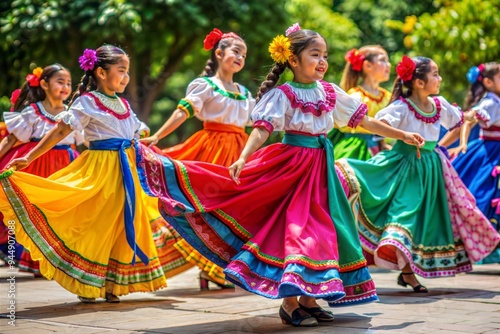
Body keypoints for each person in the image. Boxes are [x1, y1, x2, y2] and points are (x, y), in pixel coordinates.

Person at [137, 25, 424, 327]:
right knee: (294, 229)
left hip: (320, 168)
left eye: (325, 55)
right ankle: (289, 303)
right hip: (290, 167)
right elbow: (262, 128)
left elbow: (364, 120)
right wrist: (244, 157)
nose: (323, 61)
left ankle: (310, 299)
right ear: (294, 60)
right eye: (315, 54)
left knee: (325, 229)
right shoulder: (282, 94)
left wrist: (402, 134)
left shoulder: (330, 92)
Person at [0, 45, 167, 303]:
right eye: (121, 70)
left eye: (128, 72)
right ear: (101, 72)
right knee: (97, 222)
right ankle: (86, 279)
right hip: (99, 169)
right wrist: (30, 156)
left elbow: (134, 135)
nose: (126, 77)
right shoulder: (87, 102)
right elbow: (59, 131)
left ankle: (114, 283)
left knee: (124, 222)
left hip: (125, 171)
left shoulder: (123, 103)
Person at [336, 56, 500, 292]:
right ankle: (405, 273)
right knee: (405, 214)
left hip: (432, 168)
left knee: (423, 218)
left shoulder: (440, 105)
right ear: (419, 83)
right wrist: (402, 136)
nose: (439, 78)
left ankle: (408, 272)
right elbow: (378, 124)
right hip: (405, 166)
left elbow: (460, 118)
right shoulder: (402, 107)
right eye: (435, 74)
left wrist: (475, 115)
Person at [140, 28, 255, 289]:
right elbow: (183, 112)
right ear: (218, 53)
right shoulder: (206, 86)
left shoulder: (245, 93)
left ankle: (217, 267)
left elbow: (259, 123)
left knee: (233, 208)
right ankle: (209, 267)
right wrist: (157, 136)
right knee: (206, 204)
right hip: (212, 148)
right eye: (235, 51)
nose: (240, 57)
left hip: (239, 151)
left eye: (244, 54)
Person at [0, 64, 83, 275]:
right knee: (35, 213)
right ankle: (38, 260)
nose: (65, 87)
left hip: (67, 166)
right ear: (44, 84)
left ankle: (61, 260)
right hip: (36, 167)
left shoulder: (73, 113)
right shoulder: (32, 112)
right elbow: (10, 140)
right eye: (60, 82)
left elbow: (89, 141)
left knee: (64, 213)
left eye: (68, 83)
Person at [449, 62, 500, 263]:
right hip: (490, 155)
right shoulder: (491, 103)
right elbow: (469, 120)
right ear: (488, 82)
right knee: (483, 198)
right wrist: (462, 143)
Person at [330, 46, 392, 160]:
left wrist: (382, 143)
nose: (389, 65)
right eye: (383, 60)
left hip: (378, 147)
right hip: (355, 147)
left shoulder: (387, 96)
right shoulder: (356, 96)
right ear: (368, 65)